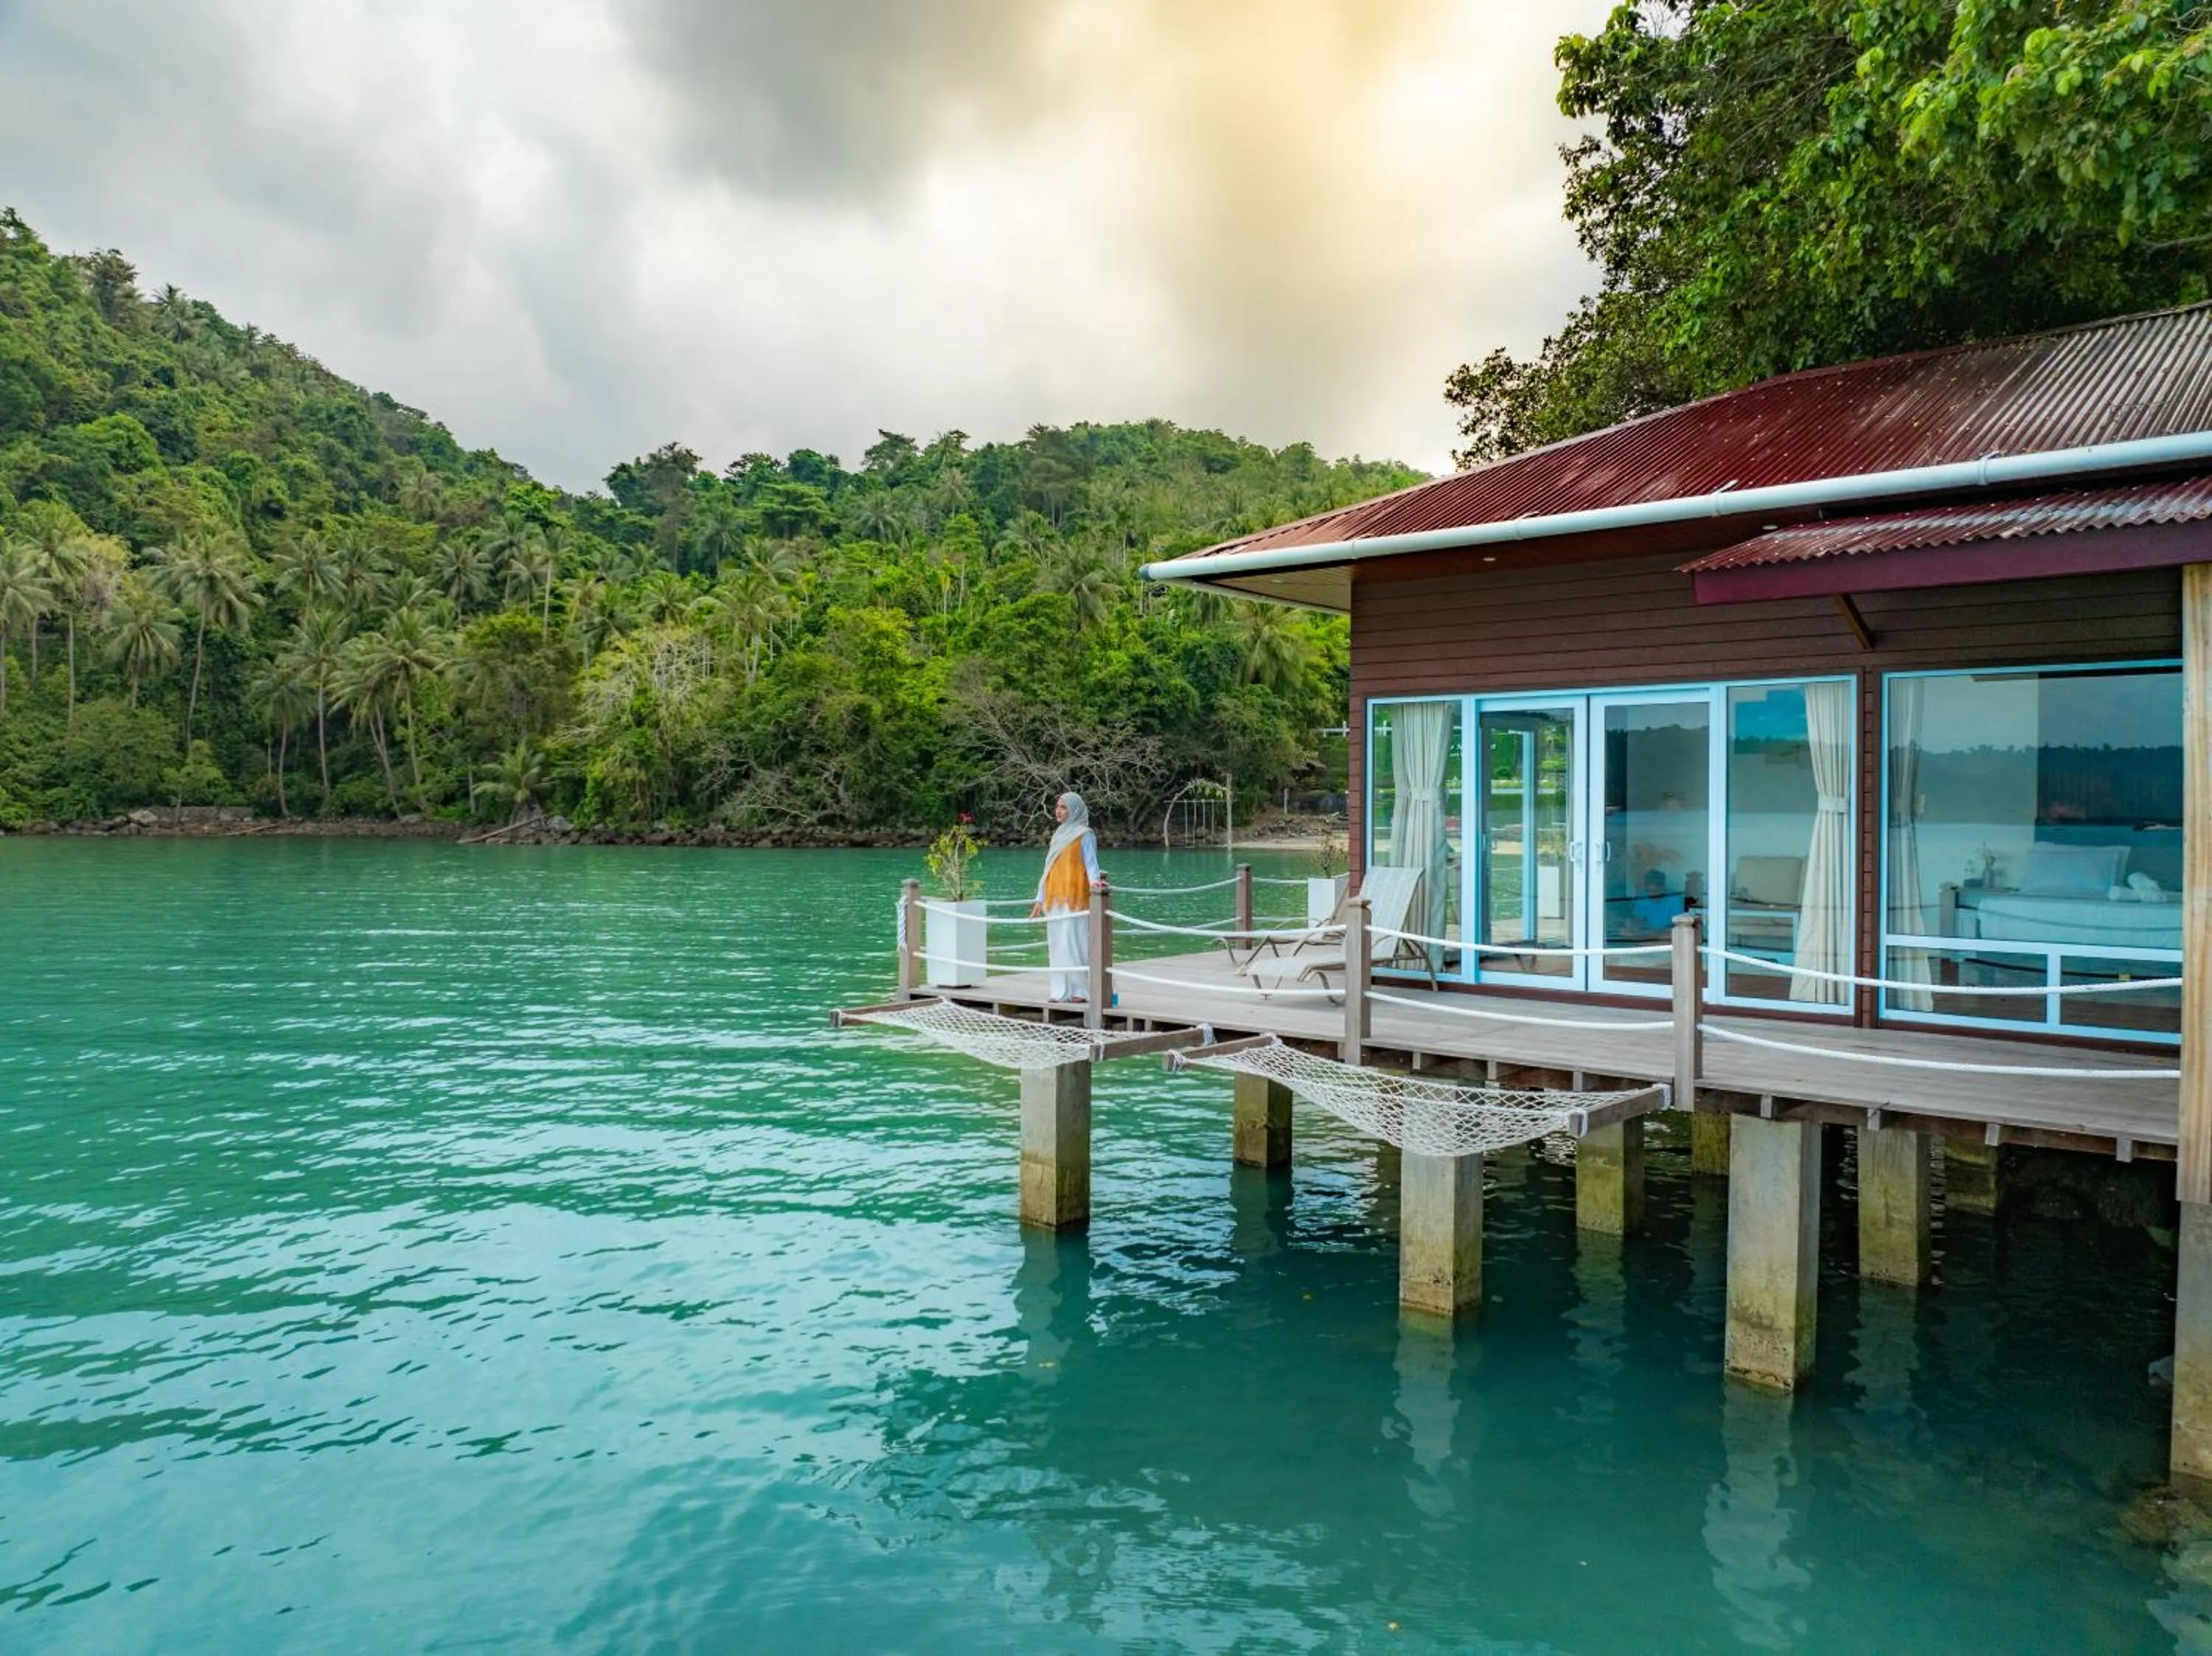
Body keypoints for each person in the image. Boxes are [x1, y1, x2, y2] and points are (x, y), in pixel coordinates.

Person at [1029, 791, 1102, 1002]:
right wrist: (1039, 898)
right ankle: (1059, 991)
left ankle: (1080, 991)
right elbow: (1048, 867)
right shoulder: (1059, 834)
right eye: (1058, 807)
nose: (1058, 811)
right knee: (1057, 943)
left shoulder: (1084, 834)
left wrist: (1095, 883)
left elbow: (1090, 864)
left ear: (1074, 810)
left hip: (1075, 895)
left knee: (1074, 941)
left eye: (1064, 808)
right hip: (1054, 895)